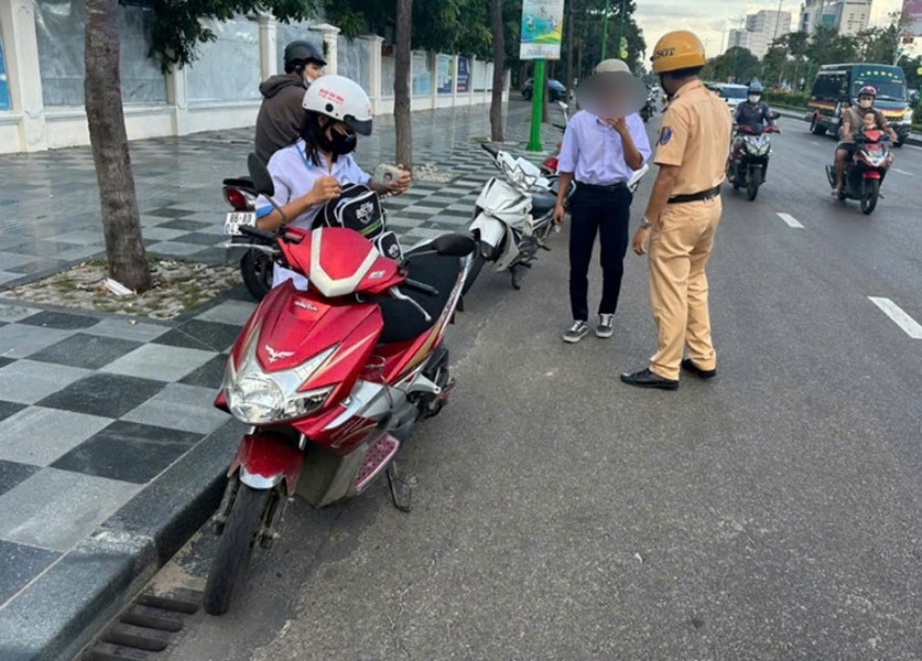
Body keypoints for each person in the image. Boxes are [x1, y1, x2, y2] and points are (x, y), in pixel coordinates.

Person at [620, 30, 733, 390]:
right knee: (695, 283)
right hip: (711, 206)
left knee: (670, 290)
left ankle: (665, 367)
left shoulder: (680, 110)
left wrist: (646, 223)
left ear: (666, 74)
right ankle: (702, 356)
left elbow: (667, 175)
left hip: (682, 211)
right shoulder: (717, 103)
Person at [254, 75, 411, 289]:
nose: (351, 137)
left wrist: (387, 184)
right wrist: (310, 199)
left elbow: (363, 186)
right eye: (347, 130)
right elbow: (264, 222)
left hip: (342, 272)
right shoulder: (284, 162)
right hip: (299, 277)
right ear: (322, 121)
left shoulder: (342, 159)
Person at [552, 59, 652, 343]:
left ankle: (607, 313)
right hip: (585, 196)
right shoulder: (580, 121)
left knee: (613, 261)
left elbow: (635, 163)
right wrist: (560, 202)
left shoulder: (633, 121)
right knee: (578, 261)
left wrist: (623, 131)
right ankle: (579, 318)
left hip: (616, 197)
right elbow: (567, 165)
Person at [254, 40, 327, 163]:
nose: (318, 74)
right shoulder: (301, 96)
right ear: (298, 67)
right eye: (314, 68)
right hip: (286, 166)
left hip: (266, 161)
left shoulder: (277, 88)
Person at [832, 86, 897, 196]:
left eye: (869, 98)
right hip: (853, 143)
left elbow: (885, 126)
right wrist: (847, 135)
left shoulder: (877, 113)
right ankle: (839, 183)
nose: (866, 100)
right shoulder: (850, 111)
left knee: (890, 158)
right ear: (859, 98)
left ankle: (878, 186)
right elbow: (846, 126)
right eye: (864, 97)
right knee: (840, 154)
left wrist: (892, 134)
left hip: (872, 144)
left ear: (873, 100)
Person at [728, 82, 777, 176]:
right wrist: (735, 124)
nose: (755, 96)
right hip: (742, 134)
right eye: (753, 93)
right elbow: (734, 116)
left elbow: (769, 118)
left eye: (757, 93)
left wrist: (773, 126)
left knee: (767, 150)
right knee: (736, 145)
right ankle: (732, 168)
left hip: (758, 135)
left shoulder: (764, 107)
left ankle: (763, 171)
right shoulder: (741, 106)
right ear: (749, 94)